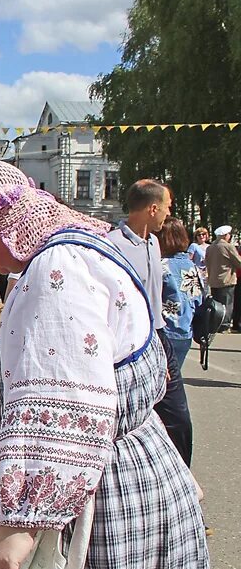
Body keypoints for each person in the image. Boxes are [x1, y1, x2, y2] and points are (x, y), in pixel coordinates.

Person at [0, 159, 215, 569]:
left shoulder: (59, 270)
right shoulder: (78, 255)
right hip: (114, 476)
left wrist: (21, 523)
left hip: (88, 500)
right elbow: (115, 386)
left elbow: (69, 399)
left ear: (4, 226)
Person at [107, 179, 194, 466]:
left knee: (178, 418)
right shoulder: (112, 245)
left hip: (160, 337)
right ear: (153, 208)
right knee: (133, 419)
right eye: (167, 207)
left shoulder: (154, 242)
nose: (169, 214)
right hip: (129, 345)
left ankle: (180, 478)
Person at [157, 218, 204, 366]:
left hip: (164, 331)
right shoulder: (192, 267)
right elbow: (198, 300)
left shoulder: (161, 266)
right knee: (175, 378)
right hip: (185, 332)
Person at [205, 225, 241, 332]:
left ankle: (215, 324)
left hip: (214, 280)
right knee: (227, 304)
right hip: (226, 279)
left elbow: (207, 262)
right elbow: (238, 262)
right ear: (226, 235)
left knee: (216, 304)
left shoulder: (210, 247)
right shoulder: (228, 247)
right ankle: (224, 325)